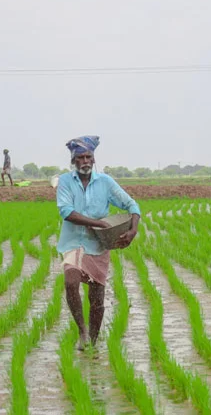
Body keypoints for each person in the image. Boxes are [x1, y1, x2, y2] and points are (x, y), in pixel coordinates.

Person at [56, 135, 141, 350]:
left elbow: (131, 205)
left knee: (97, 300)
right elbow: (66, 212)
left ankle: (93, 343)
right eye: (80, 157)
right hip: (73, 242)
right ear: (73, 161)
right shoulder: (65, 181)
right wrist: (98, 223)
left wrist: (133, 230)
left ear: (93, 159)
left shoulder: (105, 182)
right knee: (71, 282)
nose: (85, 161)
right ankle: (82, 331)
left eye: (88, 157)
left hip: (98, 245)